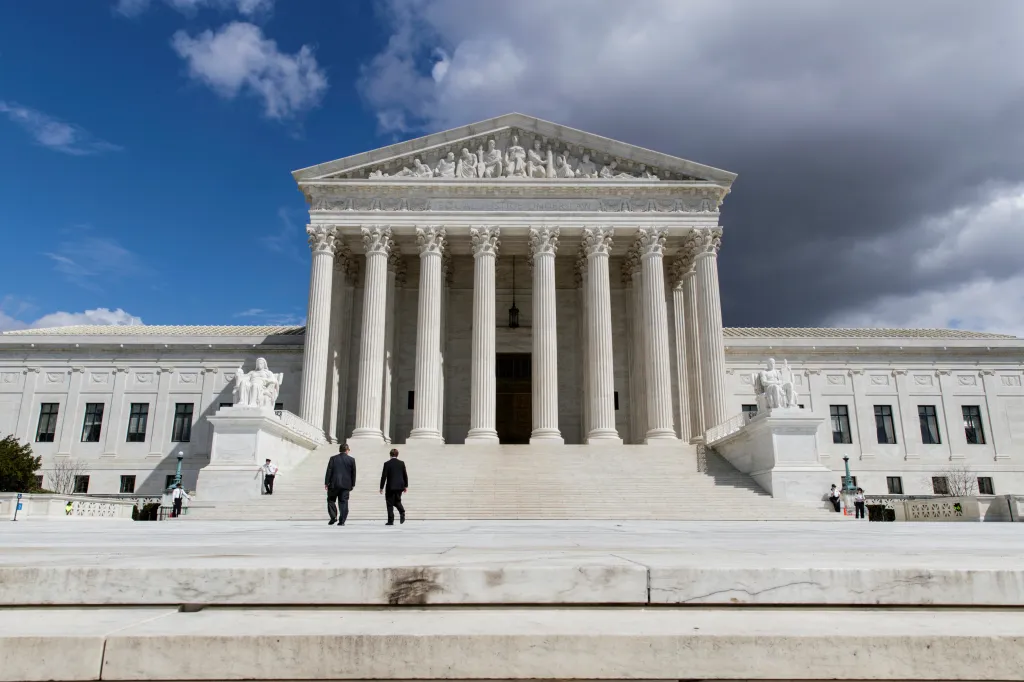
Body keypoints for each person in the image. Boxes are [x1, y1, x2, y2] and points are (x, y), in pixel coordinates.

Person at [325, 443, 356, 526]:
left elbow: (329, 471)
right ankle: (342, 521)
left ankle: (333, 517)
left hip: (333, 484)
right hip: (346, 485)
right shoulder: (351, 460)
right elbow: (353, 473)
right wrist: (352, 484)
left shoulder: (333, 458)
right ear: (347, 450)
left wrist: (326, 482)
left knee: (331, 500)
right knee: (344, 502)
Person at [379, 448, 409, 526]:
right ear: (397, 455)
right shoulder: (401, 463)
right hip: (400, 486)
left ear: (390, 455)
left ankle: (390, 520)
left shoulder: (387, 464)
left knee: (389, 503)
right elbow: (405, 475)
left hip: (390, 486)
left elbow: (384, 476)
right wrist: (406, 485)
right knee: (397, 501)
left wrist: (381, 487)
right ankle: (402, 512)